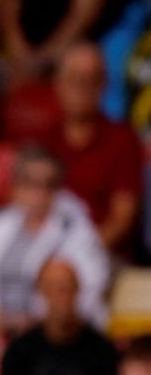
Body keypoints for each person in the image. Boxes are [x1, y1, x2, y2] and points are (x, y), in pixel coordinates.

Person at [0, 147, 108, 335]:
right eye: (32, 183)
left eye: (49, 184)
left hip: (55, 335)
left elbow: (89, 290)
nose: (40, 192)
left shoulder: (76, 227)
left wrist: (36, 323)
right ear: (16, 186)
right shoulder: (2, 222)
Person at [42, 43, 142, 253]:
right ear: (57, 83)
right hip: (46, 254)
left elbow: (122, 220)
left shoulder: (122, 140)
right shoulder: (43, 141)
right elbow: (26, 210)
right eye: (74, 79)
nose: (81, 88)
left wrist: (76, 255)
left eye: (91, 81)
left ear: (103, 86)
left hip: (102, 254)